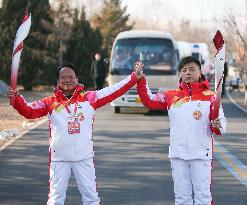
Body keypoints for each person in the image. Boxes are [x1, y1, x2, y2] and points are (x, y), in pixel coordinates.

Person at [8, 62, 142, 205]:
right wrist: (16, 100)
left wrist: (134, 77)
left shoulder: (90, 98)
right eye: (63, 77)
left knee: (91, 199)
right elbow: (29, 111)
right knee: (55, 199)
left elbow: (115, 90)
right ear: (58, 81)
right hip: (59, 159)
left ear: (77, 79)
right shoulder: (50, 102)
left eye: (71, 77)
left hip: (84, 158)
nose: (67, 80)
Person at [134, 56, 227, 205]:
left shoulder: (210, 97)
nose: (187, 73)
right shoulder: (172, 96)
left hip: (201, 155)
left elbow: (221, 124)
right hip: (178, 155)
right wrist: (141, 80)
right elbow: (149, 100)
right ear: (180, 74)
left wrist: (217, 125)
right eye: (184, 70)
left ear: (200, 72)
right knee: (182, 198)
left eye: (191, 69)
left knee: (203, 197)